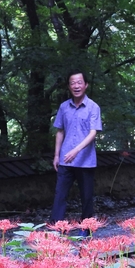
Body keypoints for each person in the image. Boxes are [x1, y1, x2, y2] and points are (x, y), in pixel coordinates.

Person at [49, 69, 102, 236]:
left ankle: (86, 230)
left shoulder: (93, 107)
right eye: (73, 83)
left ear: (86, 85)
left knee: (86, 197)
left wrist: (76, 150)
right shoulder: (64, 107)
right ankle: (57, 229)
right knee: (60, 195)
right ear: (69, 86)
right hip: (65, 160)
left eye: (79, 82)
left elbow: (93, 133)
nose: (76, 86)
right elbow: (59, 131)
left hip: (85, 161)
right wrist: (57, 155)